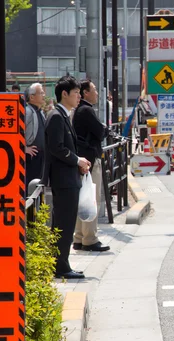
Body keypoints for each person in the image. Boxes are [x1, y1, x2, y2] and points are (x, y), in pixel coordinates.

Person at [44, 75, 91, 279]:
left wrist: (78, 161)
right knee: (63, 224)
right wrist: (77, 160)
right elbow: (57, 148)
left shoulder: (64, 115)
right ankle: (60, 267)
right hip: (63, 180)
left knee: (66, 223)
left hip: (68, 178)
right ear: (64, 94)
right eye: (76, 94)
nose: (79, 98)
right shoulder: (56, 116)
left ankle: (62, 263)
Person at [73, 79, 110, 252]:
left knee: (83, 199)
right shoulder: (87, 110)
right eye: (94, 90)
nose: (97, 93)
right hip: (90, 159)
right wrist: (104, 129)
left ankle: (79, 237)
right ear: (85, 93)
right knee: (92, 199)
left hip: (81, 159)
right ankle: (90, 239)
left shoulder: (78, 110)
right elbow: (100, 131)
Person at [24, 83, 46, 193]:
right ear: (32, 97)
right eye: (41, 93)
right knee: (30, 186)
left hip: (40, 156)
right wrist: (24, 148)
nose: (44, 95)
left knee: (38, 187)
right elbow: (18, 133)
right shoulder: (27, 111)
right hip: (31, 157)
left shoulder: (40, 111)